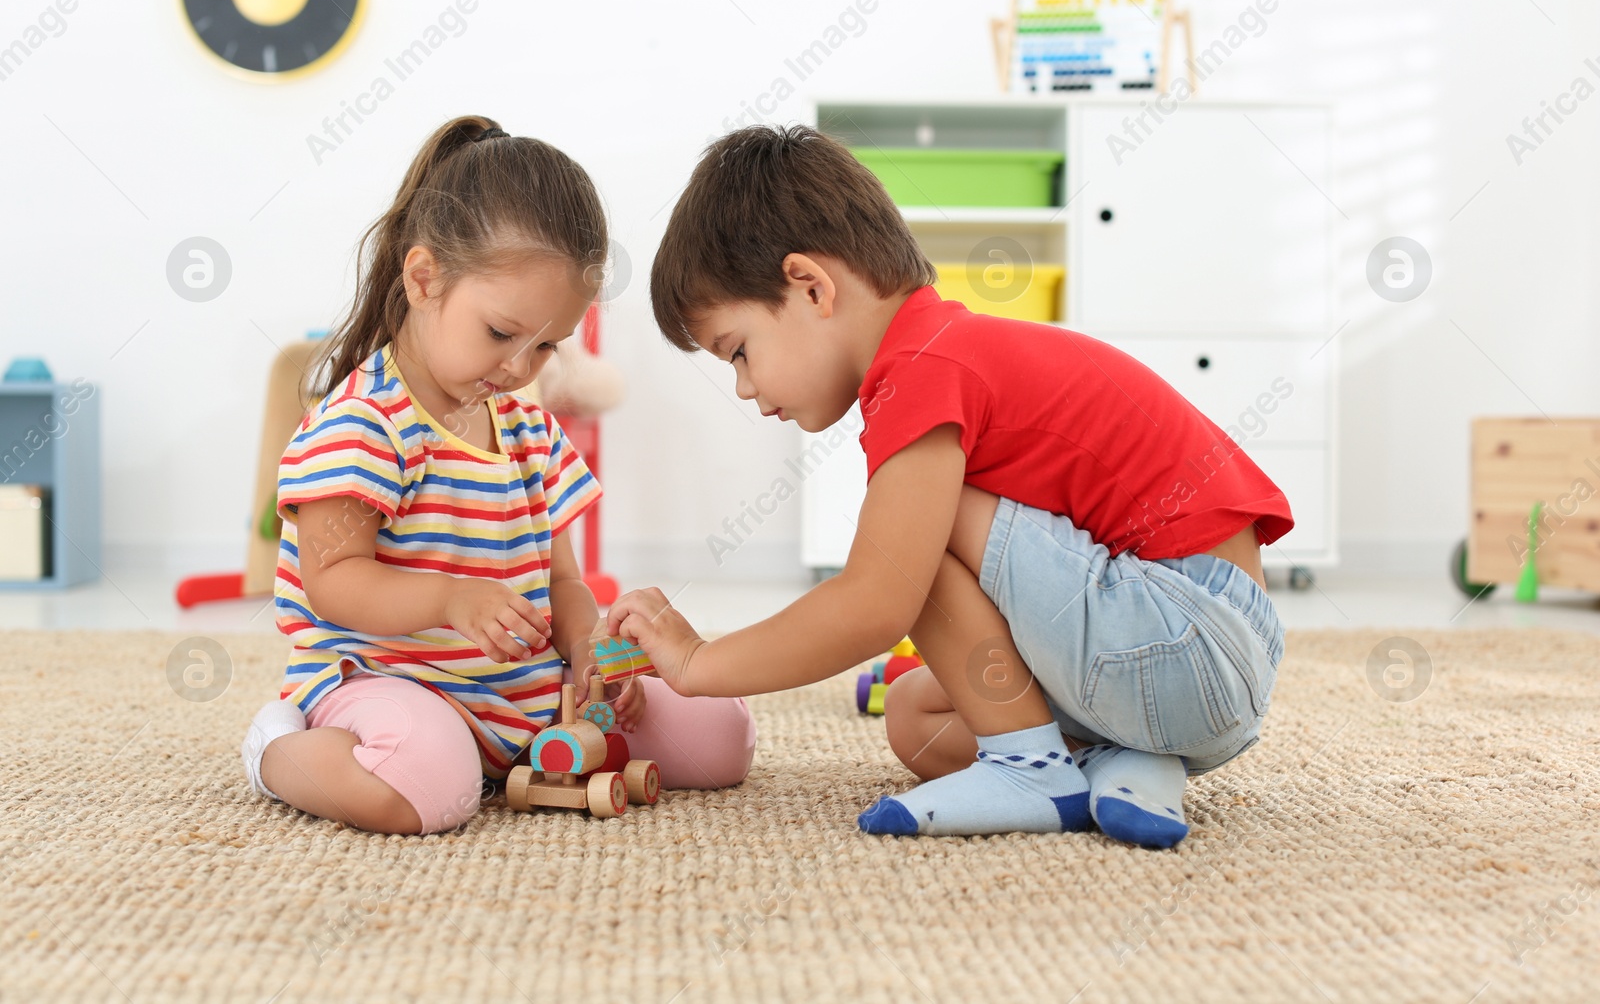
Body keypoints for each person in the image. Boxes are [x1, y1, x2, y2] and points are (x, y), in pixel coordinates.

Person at [609, 125, 1290, 847]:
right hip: (1202, 660)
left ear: (811, 286)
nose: (745, 388)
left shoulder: (925, 366)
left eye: (739, 352)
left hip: (1185, 631)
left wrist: (696, 663)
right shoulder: (948, 351)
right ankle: (1127, 760)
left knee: (906, 545)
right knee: (917, 719)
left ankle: (1032, 768)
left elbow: (876, 602)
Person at [238, 116, 755, 835]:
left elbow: (563, 582)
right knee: (430, 791)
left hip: (521, 692)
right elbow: (333, 582)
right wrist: (451, 597)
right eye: (502, 333)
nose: (519, 366)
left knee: (721, 735)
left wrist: (588, 650)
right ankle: (277, 751)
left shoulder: (527, 431)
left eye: (547, 345)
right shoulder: (362, 422)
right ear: (424, 280)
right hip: (389, 681)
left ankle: (485, 748)